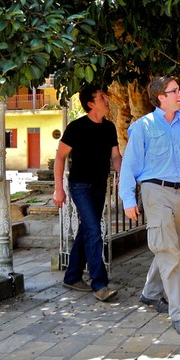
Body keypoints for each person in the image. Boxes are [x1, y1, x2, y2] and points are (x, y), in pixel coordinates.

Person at [119, 75, 180, 336]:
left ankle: (150, 292)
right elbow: (130, 165)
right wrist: (128, 199)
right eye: (174, 91)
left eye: (179, 89)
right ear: (161, 97)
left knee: (175, 245)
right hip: (154, 191)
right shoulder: (143, 127)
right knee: (168, 250)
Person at [53, 85, 122, 302]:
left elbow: (116, 157)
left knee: (86, 230)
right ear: (91, 104)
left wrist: (123, 175)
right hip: (80, 186)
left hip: (100, 185)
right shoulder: (76, 127)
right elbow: (60, 158)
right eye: (102, 97)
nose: (107, 100)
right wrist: (58, 189)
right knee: (94, 229)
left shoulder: (109, 127)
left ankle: (72, 276)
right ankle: (99, 284)